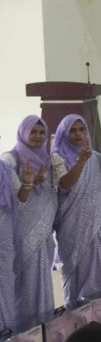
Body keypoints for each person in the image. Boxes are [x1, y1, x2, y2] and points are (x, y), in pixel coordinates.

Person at [51, 114, 101, 304]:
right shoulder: (57, 157)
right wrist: (80, 161)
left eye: (81, 129)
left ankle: (100, 309)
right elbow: (65, 184)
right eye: (72, 130)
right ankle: (76, 310)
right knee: (75, 269)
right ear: (63, 133)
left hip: (96, 221)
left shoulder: (96, 157)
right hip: (71, 224)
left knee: (98, 265)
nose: (78, 134)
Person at [1, 116, 56, 324]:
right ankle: (23, 325)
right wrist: (28, 184)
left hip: (43, 227)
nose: (37, 136)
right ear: (22, 132)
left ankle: (42, 323)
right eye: (32, 131)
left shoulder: (47, 159)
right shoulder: (10, 159)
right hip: (20, 228)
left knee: (41, 275)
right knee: (23, 277)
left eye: (41, 132)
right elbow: (11, 198)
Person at [0, 136, 17, 331]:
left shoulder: (5, 168)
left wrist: (29, 183)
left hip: (4, 233)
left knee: (5, 282)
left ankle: (8, 330)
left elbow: (20, 198)